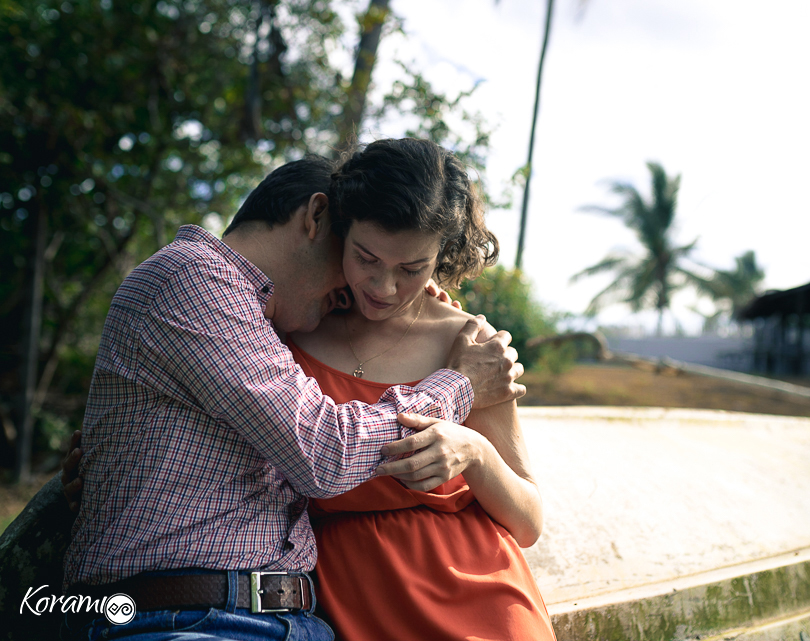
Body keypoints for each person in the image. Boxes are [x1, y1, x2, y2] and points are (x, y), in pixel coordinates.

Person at [60, 153, 526, 641]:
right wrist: (458, 386)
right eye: (358, 255)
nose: (362, 288)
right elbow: (325, 453)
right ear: (317, 217)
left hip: (293, 621)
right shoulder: (197, 277)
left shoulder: (262, 321)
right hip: (191, 620)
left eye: (407, 267)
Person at [287, 138, 556, 640]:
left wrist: (475, 451)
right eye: (366, 258)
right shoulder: (293, 326)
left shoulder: (469, 343)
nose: (384, 287)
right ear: (339, 230)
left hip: (485, 605)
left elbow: (528, 522)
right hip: (351, 605)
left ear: (441, 258)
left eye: (412, 269)